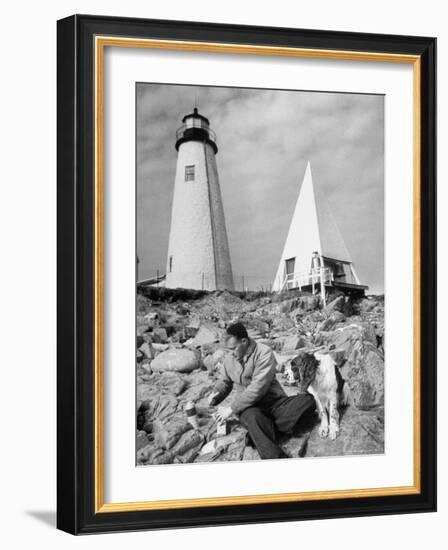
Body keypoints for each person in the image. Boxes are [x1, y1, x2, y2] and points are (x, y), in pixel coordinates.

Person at [208, 322, 315, 459]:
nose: (231, 354)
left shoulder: (264, 352)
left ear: (244, 341)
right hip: (250, 408)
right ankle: (276, 458)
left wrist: (230, 409)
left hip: (275, 403)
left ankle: (260, 432)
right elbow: (224, 381)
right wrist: (216, 394)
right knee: (253, 417)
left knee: (307, 400)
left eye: (233, 349)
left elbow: (257, 388)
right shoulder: (230, 358)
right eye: (228, 350)